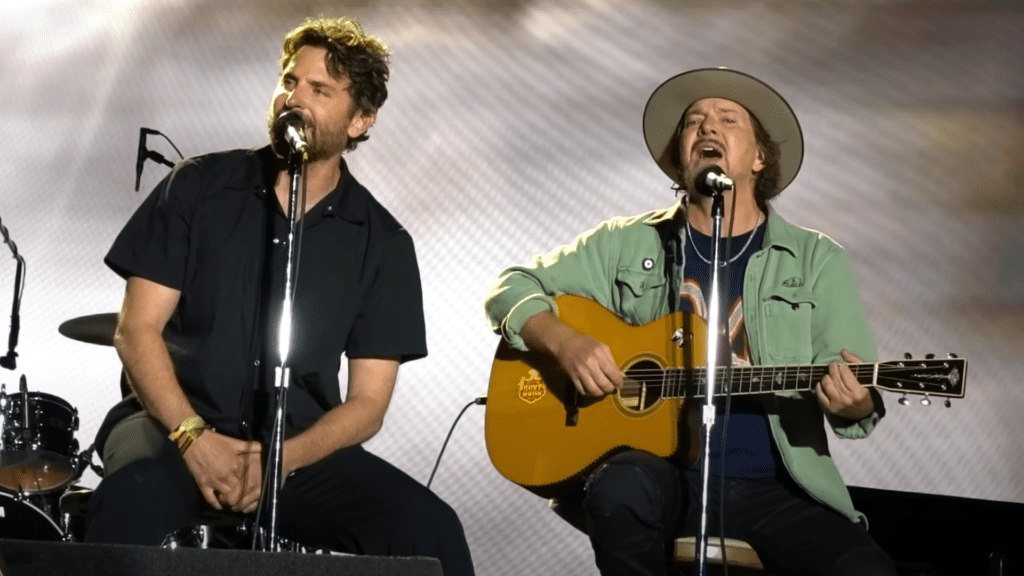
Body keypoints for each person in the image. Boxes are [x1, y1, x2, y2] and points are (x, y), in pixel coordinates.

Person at [85, 17, 474, 575]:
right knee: (133, 498)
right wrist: (196, 439)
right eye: (290, 81)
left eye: (320, 91)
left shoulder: (383, 243)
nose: (294, 98)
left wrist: (278, 460)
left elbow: (368, 405)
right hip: (171, 425)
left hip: (293, 452)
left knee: (430, 528)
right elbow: (135, 330)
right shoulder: (198, 186)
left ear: (360, 120)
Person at [484, 68, 897, 575]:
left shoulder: (815, 259)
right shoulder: (626, 242)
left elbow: (854, 388)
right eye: (693, 122)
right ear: (679, 157)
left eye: (728, 119)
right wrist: (565, 343)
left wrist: (855, 404)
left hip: (776, 487)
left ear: (760, 157)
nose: (707, 128)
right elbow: (510, 287)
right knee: (619, 491)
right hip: (660, 476)